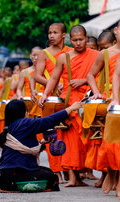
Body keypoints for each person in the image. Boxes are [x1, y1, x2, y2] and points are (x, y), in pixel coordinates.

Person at [39, 25, 99, 187]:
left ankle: (83, 174)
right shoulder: (63, 57)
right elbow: (53, 79)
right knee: (70, 141)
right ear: (70, 40)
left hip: (88, 102)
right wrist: (45, 94)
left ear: (87, 38)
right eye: (75, 40)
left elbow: (101, 76)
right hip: (70, 102)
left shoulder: (96, 55)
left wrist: (84, 80)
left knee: (87, 141)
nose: (79, 43)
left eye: (81, 39)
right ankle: (73, 178)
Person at [0, 99, 84, 191]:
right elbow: (48, 121)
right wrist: (71, 109)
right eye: (26, 110)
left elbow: (25, 148)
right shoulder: (24, 123)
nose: (28, 113)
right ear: (21, 112)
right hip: (13, 176)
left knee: (48, 171)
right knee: (51, 178)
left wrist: (41, 143)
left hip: (2, 176)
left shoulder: (11, 126)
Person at [30, 22, 73, 184]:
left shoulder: (71, 52)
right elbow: (37, 76)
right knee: (51, 135)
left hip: (68, 98)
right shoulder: (44, 53)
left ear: (64, 35)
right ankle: (57, 172)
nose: (52, 36)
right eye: (49, 33)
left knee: (68, 135)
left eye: (55, 32)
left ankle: (71, 170)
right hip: (50, 99)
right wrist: (53, 83)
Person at [87, 20, 120, 195]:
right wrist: (96, 92)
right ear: (116, 31)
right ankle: (111, 173)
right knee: (110, 142)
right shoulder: (105, 54)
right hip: (111, 100)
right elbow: (91, 75)